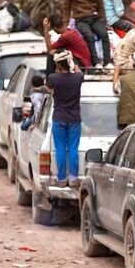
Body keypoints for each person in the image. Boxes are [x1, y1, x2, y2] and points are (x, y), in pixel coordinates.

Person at [62, 0, 110, 68]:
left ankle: (107, 62)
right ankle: (96, 62)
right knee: (89, 36)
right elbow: (67, 6)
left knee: (104, 35)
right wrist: (65, 24)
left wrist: (103, 21)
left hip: (94, 17)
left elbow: (100, 5)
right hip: (80, 19)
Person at [48, 51, 84, 188]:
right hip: (74, 119)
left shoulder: (54, 78)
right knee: (73, 149)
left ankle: (62, 179)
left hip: (59, 118)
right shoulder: (77, 78)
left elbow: (49, 87)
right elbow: (78, 70)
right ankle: (74, 179)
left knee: (60, 149)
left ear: (58, 64)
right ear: (68, 62)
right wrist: (73, 63)